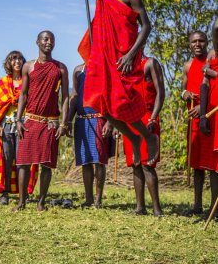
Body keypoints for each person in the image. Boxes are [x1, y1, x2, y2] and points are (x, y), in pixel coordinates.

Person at [78, 0, 158, 167]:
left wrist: (131, 54)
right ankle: (133, 137)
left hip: (124, 56)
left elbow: (146, 26)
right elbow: (101, 24)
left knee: (122, 102)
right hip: (104, 56)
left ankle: (148, 136)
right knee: (99, 103)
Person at [14, 30, 69, 211]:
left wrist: (64, 123)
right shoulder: (28, 66)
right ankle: (21, 203)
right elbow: (23, 94)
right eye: (45, 39)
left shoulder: (60, 68)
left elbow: (66, 97)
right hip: (30, 120)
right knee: (23, 162)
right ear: (37, 42)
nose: (49, 42)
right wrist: (19, 119)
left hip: (50, 122)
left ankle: (41, 203)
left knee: (46, 164)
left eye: (52, 39)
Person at [0, 51, 37, 204]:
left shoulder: (28, 81)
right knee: (7, 160)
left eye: (20, 59)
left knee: (22, 161)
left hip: (23, 126)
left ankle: (23, 195)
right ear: (9, 63)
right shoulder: (2, 83)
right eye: (14, 59)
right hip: (6, 127)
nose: (17, 62)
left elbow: (32, 103)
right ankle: (4, 193)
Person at [122, 49, 165, 216]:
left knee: (148, 164)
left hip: (148, 116)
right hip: (130, 118)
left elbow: (160, 92)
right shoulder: (125, 66)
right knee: (136, 163)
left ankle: (157, 208)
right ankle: (140, 207)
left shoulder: (150, 63)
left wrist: (153, 118)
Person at [68, 63, 113, 208]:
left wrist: (110, 122)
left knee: (99, 160)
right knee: (85, 161)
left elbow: (111, 95)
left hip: (99, 119)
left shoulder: (105, 68)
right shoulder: (78, 70)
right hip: (81, 120)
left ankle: (98, 200)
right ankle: (89, 199)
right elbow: (75, 96)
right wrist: (68, 120)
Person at [182, 31, 208, 215]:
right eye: (194, 41)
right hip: (194, 121)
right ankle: (197, 206)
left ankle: (214, 208)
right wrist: (185, 95)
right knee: (197, 165)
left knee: (214, 165)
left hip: (211, 117)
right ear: (189, 44)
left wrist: (203, 109)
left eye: (201, 41)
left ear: (207, 43)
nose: (197, 44)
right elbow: (183, 90)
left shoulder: (212, 63)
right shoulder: (188, 65)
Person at [199, 18, 218, 218]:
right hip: (214, 111)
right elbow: (204, 84)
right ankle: (215, 207)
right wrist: (203, 114)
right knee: (215, 164)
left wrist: (214, 72)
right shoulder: (212, 54)